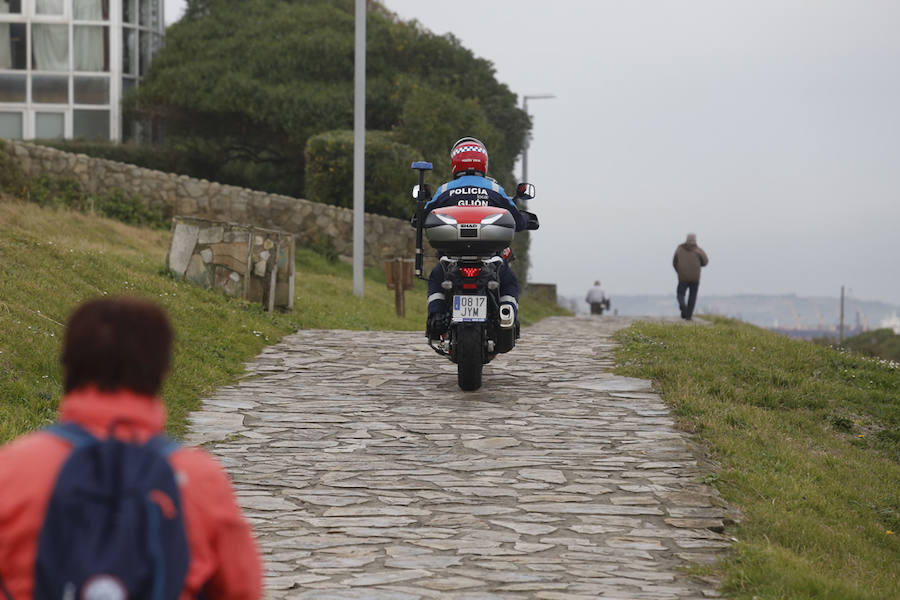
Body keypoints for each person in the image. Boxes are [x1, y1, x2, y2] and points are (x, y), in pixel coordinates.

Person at [0, 298, 263, 600]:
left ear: (68, 362)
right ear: (162, 369)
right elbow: (242, 589)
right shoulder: (199, 478)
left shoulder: (13, 469)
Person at [423, 137, 526, 339]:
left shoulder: (444, 190)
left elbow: (424, 216)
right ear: (484, 162)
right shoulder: (495, 190)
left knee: (437, 278)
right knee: (509, 281)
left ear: (454, 163)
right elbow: (517, 221)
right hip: (490, 258)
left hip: (451, 258)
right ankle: (507, 313)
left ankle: (436, 315)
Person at [673, 233, 709, 320]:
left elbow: (674, 262)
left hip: (682, 277)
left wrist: (679, 271)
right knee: (692, 296)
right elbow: (705, 262)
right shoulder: (698, 250)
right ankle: (688, 316)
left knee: (680, 294)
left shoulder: (680, 249)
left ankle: (683, 306)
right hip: (695, 277)